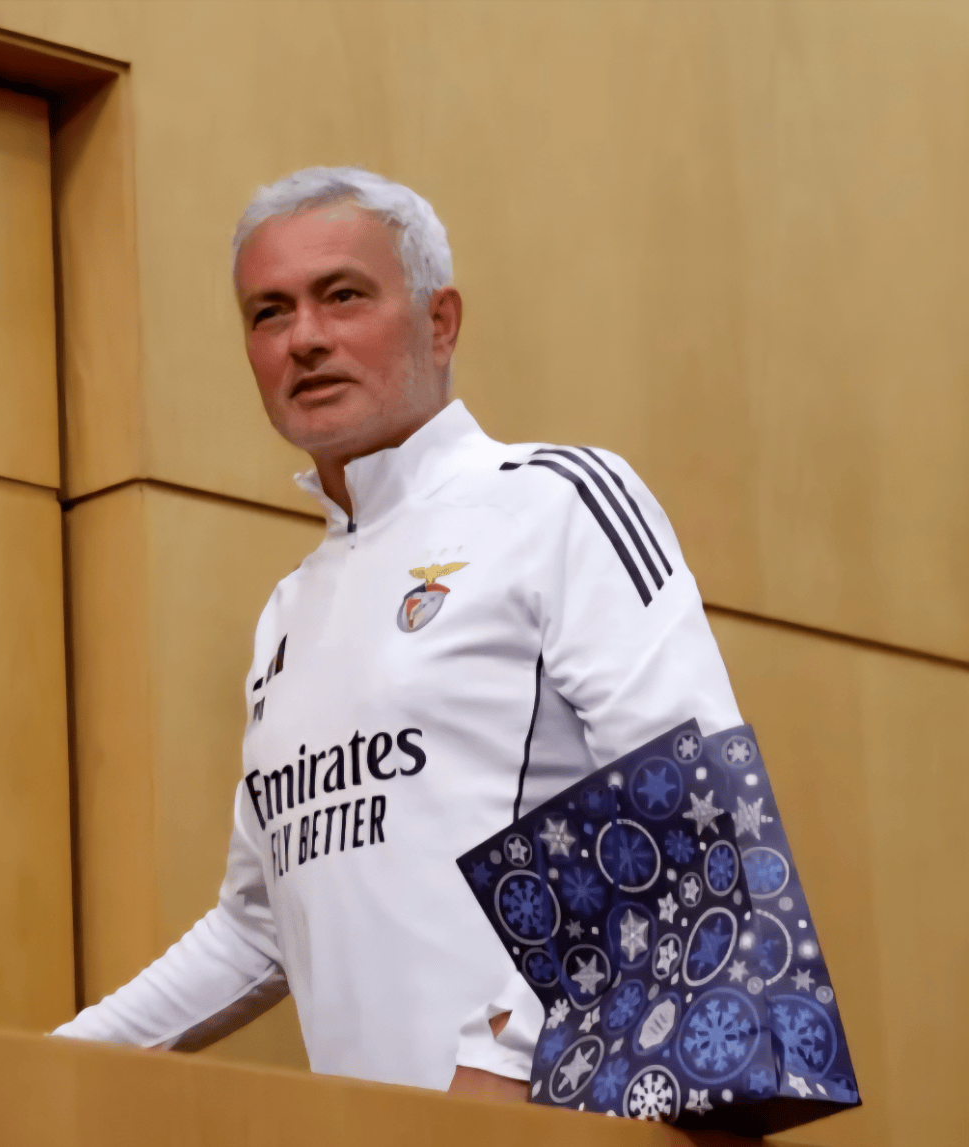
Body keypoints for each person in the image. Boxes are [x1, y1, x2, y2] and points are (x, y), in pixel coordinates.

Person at [52, 167, 742, 1099]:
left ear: (439, 321)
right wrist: (38, 1063)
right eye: (268, 312)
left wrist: (506, 1053)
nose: (304, 338)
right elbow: (256, 929)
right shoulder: (288, 612)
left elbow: (686, 788)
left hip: (558, 1112)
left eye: (342, 295)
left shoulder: (555, 500)